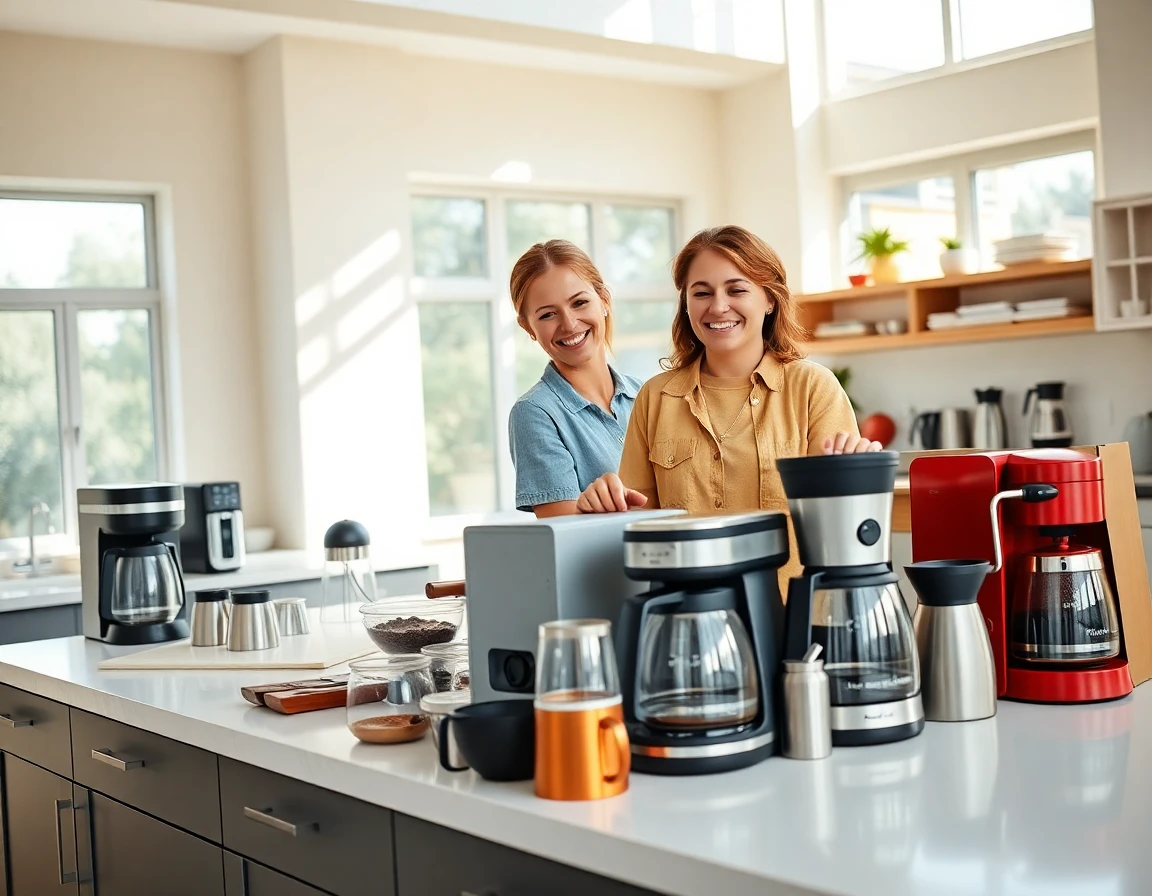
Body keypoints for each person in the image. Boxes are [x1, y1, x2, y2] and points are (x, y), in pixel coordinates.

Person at [575, 225, 881, 580]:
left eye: (736, 290)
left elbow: (841, 528)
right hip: (688, 614)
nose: (718, 307)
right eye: (701, 293)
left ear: (769, 299)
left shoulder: (813, 388)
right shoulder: (655, 397)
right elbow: (636, 525)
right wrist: (601, 506)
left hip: (792, 613)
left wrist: (857, 476)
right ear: (686, 305)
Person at [507, 240, 643, 518]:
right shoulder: (535, 413)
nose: (569, 324)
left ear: (604, 300)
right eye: (547, 314)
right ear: (528, 327)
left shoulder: (647, 395)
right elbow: (564, 529)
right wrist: (593, 505)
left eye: (579, 303)